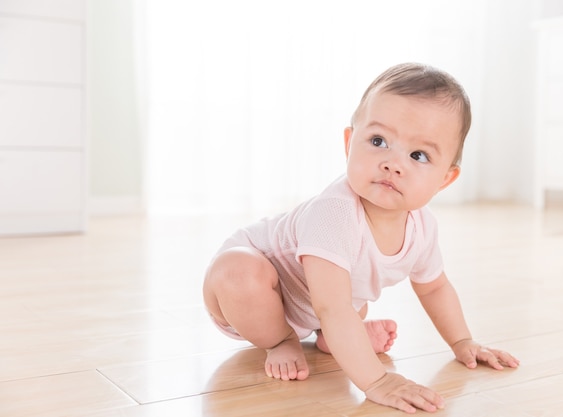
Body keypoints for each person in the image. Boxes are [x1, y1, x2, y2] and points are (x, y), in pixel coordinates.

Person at [202, 62, 519, 413]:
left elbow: (434, 287)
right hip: (250, 297)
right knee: (237, 271)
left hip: (321, 305)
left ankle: (332, 338)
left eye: (418, 155)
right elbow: (332, 306)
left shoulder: (422, 226)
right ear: (350, 142)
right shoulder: (335, 212)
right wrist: (377, 380)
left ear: (445, 179)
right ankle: (281, 339)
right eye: (378, 141)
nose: (392, 163)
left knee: (352, 294)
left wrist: (462, 341)